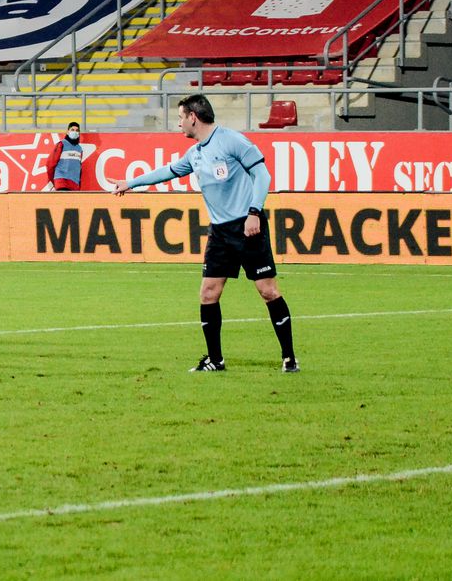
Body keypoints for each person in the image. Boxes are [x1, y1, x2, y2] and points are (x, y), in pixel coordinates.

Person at [112, 94, 298, 373]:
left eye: (180, 118)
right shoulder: (195, 153)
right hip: (220, 233)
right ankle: (215, 360)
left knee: (268, 291)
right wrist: (131, 182)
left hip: (248, 226)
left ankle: (289, 358)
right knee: (208, 293)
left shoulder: (232, 141)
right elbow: (168, 171)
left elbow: (262, 175)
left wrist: (254, 212)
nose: (178, 125)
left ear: (193, 118)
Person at [46, 122, 85, 190]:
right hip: (62, 182)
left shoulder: (79, 149)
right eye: (72, 130)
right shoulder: (61, 144)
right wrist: (53, 180)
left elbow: (79, 168)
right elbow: (50, 164)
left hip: (74, 184)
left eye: (77, 130)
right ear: (67, 132)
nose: (75, 132)